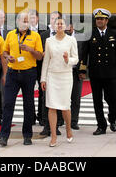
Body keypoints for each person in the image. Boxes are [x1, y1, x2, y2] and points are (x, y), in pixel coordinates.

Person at [0, 12, 43, 147]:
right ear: (17, 21)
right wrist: (7, 57)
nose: (25, 23)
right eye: (23, 20)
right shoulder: (11, 35)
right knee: (8, 104)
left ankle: (27, 135)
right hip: (13, 73)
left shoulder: (35, 36)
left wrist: (30, 49)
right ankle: (4, 136)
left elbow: (40, 56)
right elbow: (4, 52)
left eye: (27, 20)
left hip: (29, 73)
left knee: (28, 105)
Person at [79, 8, 116, 135]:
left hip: (111, 73)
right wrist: (82, 69)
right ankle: (101, 125)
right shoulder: (89, 35)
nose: (99, 21)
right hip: (96, 73)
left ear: (107, 20)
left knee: (113, 99)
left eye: (102, 19)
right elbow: (84, 54)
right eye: (97, 19)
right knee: (97, 101)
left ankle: (112, 118)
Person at [40, 17, 79, 147]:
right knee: (51, 106)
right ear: (54, 26)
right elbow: (46, 61)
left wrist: (68, 59)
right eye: (57, 24)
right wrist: (43, 79)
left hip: (66, 76)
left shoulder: (71, 40)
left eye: (62, 23)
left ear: (66, 26)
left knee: (65, 107)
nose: (60, 25)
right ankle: (54, 136)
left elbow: (76, 58)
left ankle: (68, 129)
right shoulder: (49, 41)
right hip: (52, 75)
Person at [39, 11, 64, 136]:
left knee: (57, 99)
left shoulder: (65, 36)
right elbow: (38, 53)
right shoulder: (43, 35)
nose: (54, 21)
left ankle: (57, 125)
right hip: (46, 72)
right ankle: (46, 125)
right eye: (52, 19)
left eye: (57, 19)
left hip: (59, 72)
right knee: (45, 99)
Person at [66, 22, 85, 130]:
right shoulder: (61, 37)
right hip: (64, 71)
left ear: (72, 27)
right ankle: (60, 120)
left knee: (76, 97)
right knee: (63, 97)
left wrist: (83, 70)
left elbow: (84, 54)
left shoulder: (81, 38)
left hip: (76, 71)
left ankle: (74, 121)